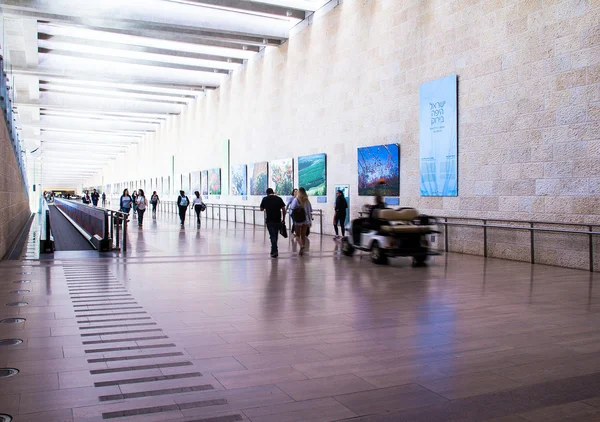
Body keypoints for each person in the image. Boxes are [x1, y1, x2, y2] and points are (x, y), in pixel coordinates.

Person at [260, 188, 286, 258]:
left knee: (272, 236)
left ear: (267, 193)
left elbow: (261, 209)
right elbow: (284, 209)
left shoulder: (265, 199)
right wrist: (283, 219)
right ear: (273, 192)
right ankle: (273, 250)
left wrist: (266, 207)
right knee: (275, 235)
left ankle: (275, 251)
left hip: (269, 220)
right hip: (278, 220)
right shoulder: (279, 199)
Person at [289, 187, 313, 256]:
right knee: (303, 234)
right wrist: (310, 221)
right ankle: (303, 248)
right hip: (306, 220)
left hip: (298, 220)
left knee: (297, 235)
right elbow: (310, 211)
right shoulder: (307, 201)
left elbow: (292, 209)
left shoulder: (296, 200)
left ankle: (301, 245)